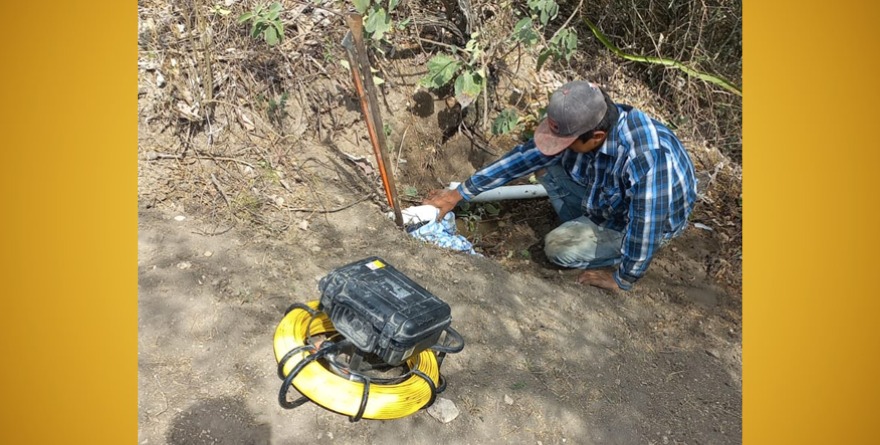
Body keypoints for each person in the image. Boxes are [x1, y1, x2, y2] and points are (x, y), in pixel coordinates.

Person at [423, 80, 697, 291]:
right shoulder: (591, 118)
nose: (559, 146)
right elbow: (524, 159)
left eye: (566, 142)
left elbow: (646, 223)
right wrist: (459, 193)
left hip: (640, 222)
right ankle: (585, 221)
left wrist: (624, 277)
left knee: (557, 248)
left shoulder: (647, 157)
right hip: (608, 197)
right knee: (544, 164)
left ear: (597, 136)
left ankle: (608, 247)